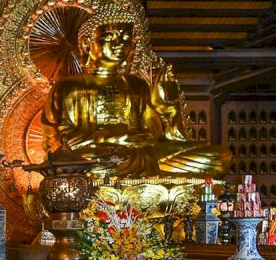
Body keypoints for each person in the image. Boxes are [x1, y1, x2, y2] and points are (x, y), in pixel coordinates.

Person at [42, 12, 230, 179]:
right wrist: (116, 136)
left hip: (142, 155)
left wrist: (165, 107)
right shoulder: (68, 87)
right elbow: (58, 143)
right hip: (99, 157)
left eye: (126, 38)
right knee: (84, 163)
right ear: (86, 44)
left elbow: (158, 138)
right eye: (110, 37)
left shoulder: (136, 85)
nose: (120, 45)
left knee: (220, 156)